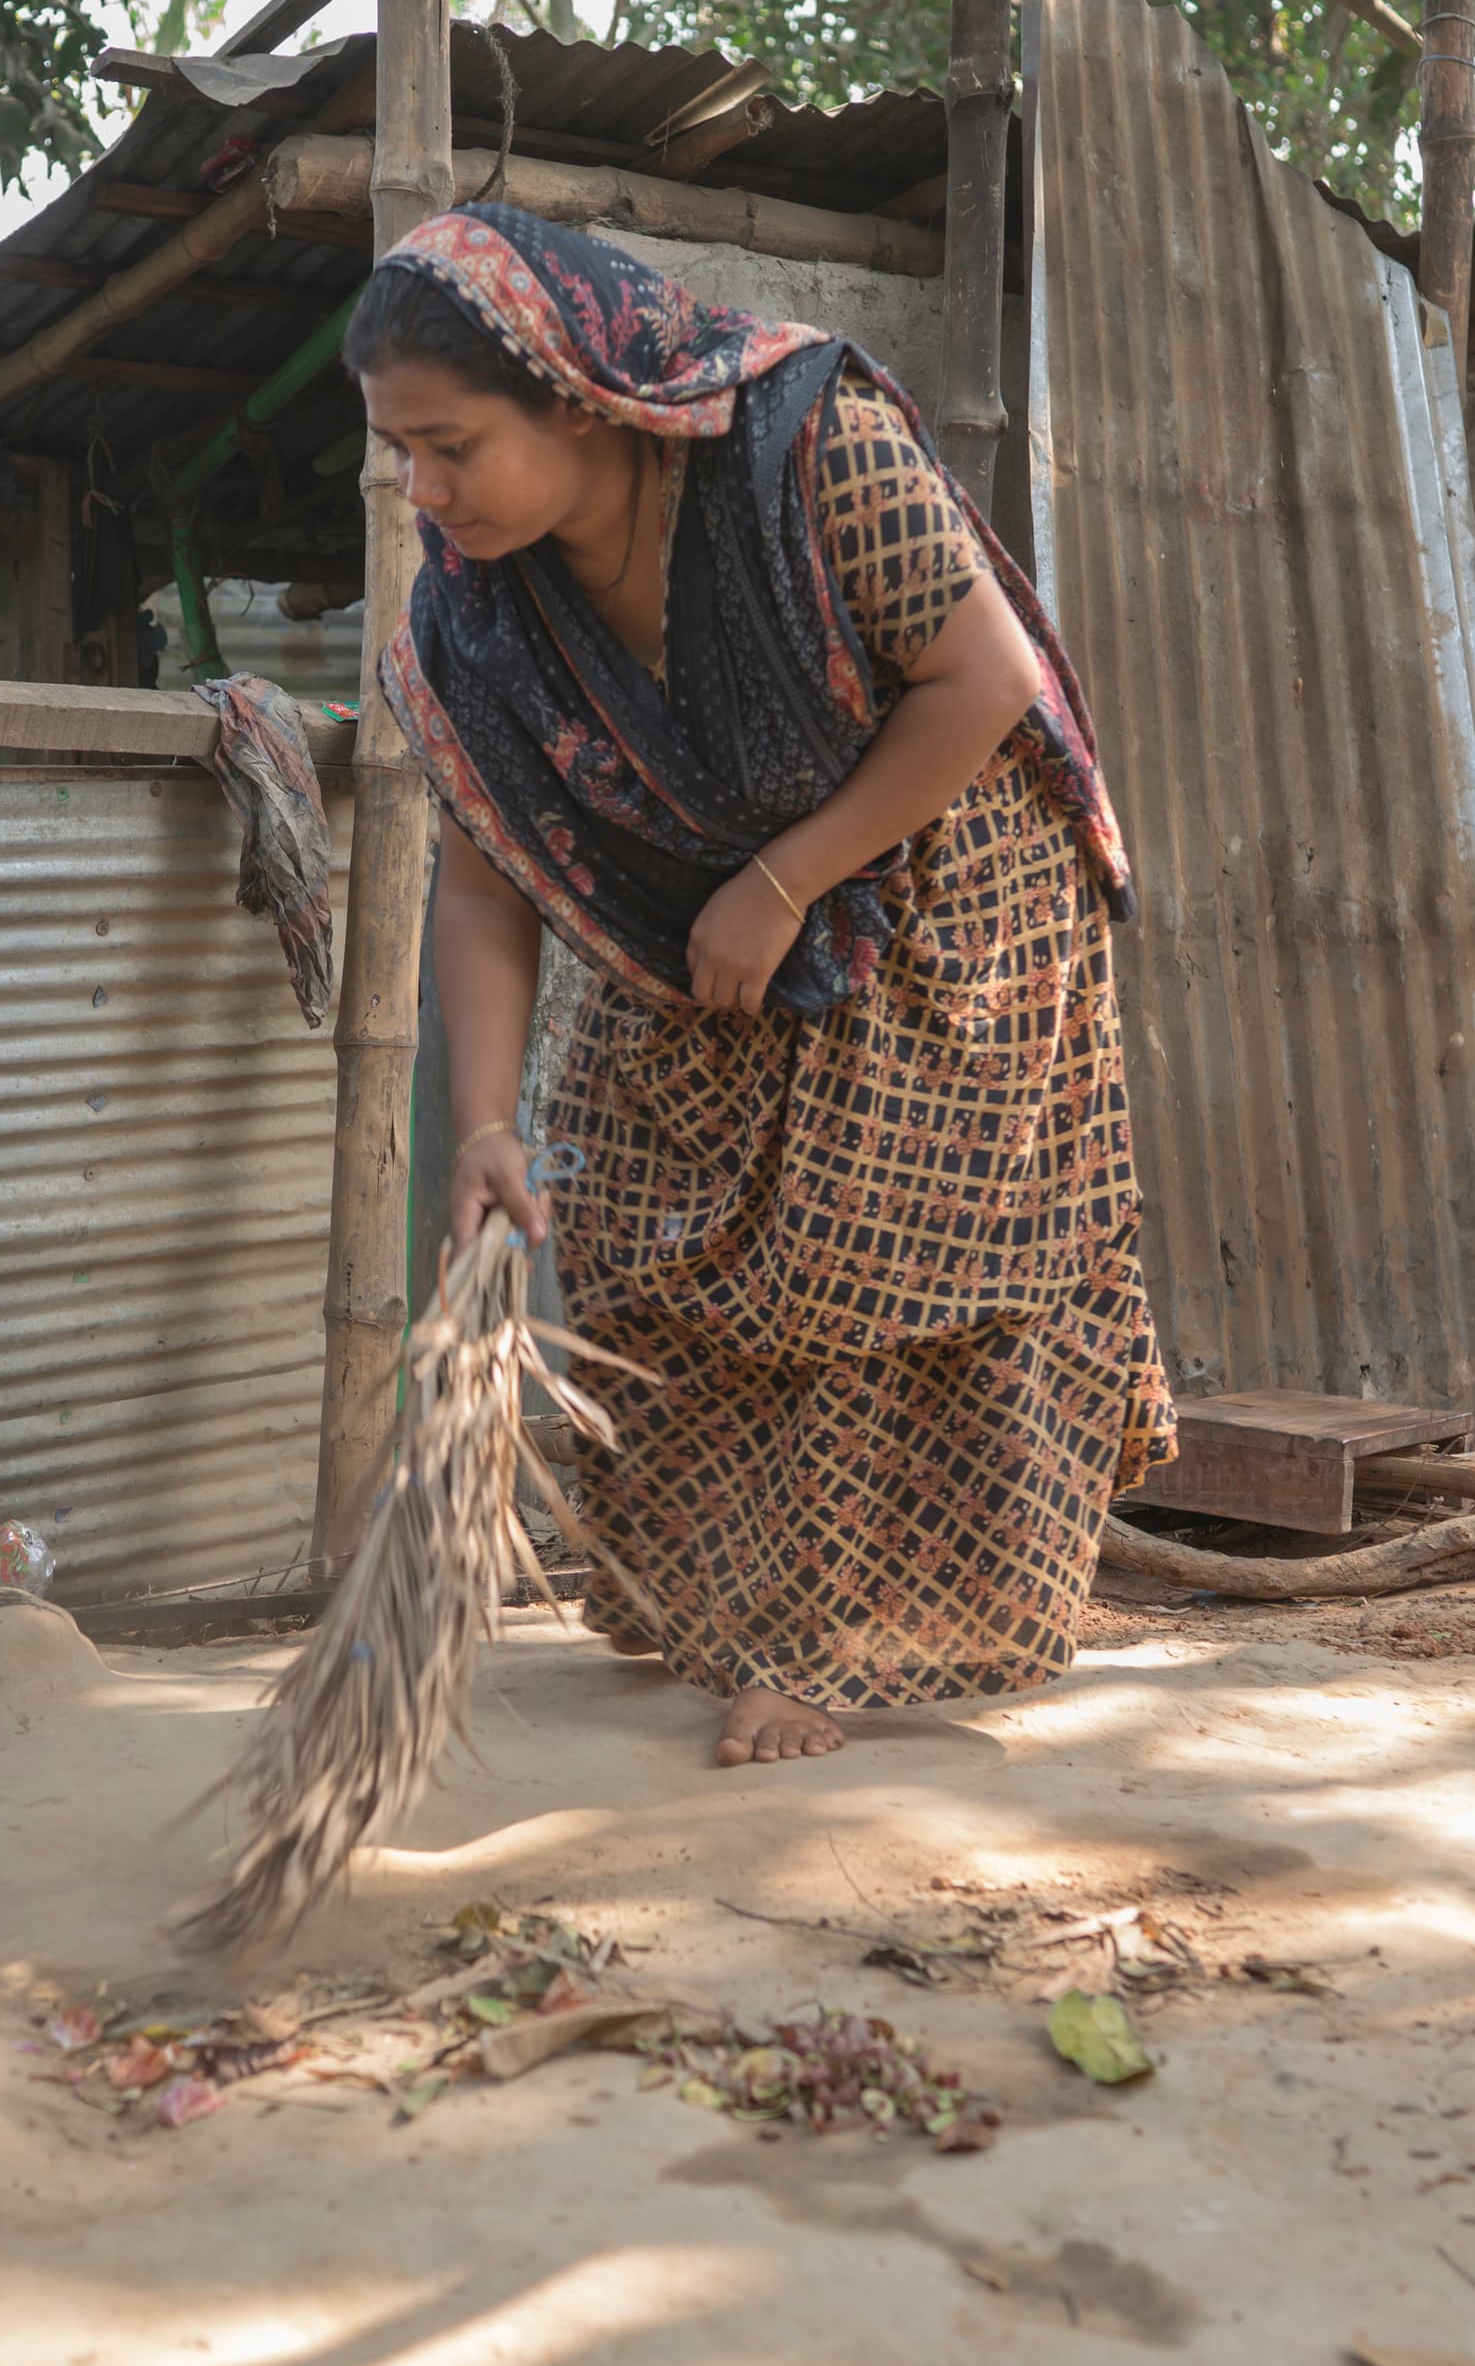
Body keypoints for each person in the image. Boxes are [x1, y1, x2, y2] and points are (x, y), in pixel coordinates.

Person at [353, 203, 1173, 1769]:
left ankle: (832, 1650)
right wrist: (482, 1122)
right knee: (637, 1217)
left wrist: (788, 879)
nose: (424, 492)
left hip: (944, 871)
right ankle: (730, 1614)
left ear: (577, 395)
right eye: (401, 455)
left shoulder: (807, 444)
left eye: (450, 447)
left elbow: (986, 683)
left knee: (860, 1249)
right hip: (697, 927)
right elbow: (482, 870)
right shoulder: (470, 608)